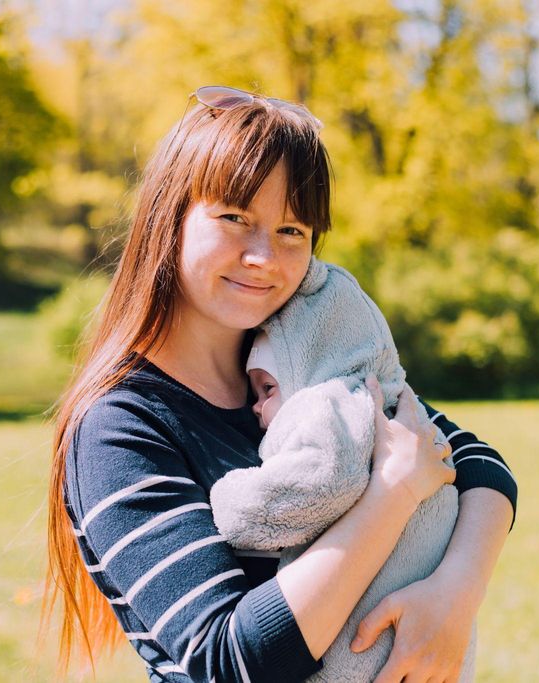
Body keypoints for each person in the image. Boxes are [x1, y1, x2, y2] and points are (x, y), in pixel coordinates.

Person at [42, 85, 517, 683]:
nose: (264, 255)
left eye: (292, 230)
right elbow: (228, 661)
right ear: (170, 218)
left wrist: (455, 595)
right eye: (235, 218)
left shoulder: (300, 363)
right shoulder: (120, 427)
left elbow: (476, 463)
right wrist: (391, 496)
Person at [209, 257, 492, 681]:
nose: (257, 408)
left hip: (373, 644)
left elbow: (321, 483)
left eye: (268, 389)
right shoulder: (397, 405)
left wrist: (232, 502)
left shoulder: (329, 403)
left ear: (306, 370)